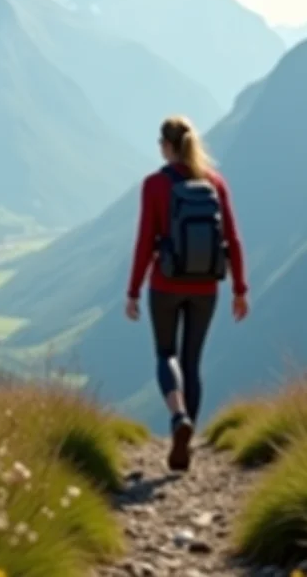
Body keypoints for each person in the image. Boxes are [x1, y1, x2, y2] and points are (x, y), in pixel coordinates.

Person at [125, 115, 248, 471]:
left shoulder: (154, 185)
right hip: (206, 287)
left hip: (165, 283)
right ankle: (187, 444)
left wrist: (133, 290)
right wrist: (240, 289)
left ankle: (178, 418)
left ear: (167, 146)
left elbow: (145, 241)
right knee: (192, 362)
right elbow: (233, 240)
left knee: (167, 355)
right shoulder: (215, 183)